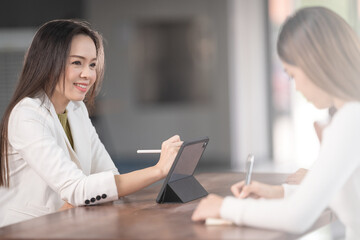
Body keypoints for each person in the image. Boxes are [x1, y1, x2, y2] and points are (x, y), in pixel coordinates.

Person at [192, 6, 360, 239]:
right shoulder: (352, 116)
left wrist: (224, 207)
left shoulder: (350, 120)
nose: (297, 87)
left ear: (314, 62)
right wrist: (278, 192)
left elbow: (297, 217)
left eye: (292, 74)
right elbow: (332, 194)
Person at [0, 19, 183, 227]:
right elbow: (80, 190)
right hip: (23, 230)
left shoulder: (76, 109)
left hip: (63, 225)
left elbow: (107, 176)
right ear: (48, 62)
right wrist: (158, 170)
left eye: (92, 64)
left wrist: (82, 193)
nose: (88, 74)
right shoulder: (27, 114)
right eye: (77, 62)